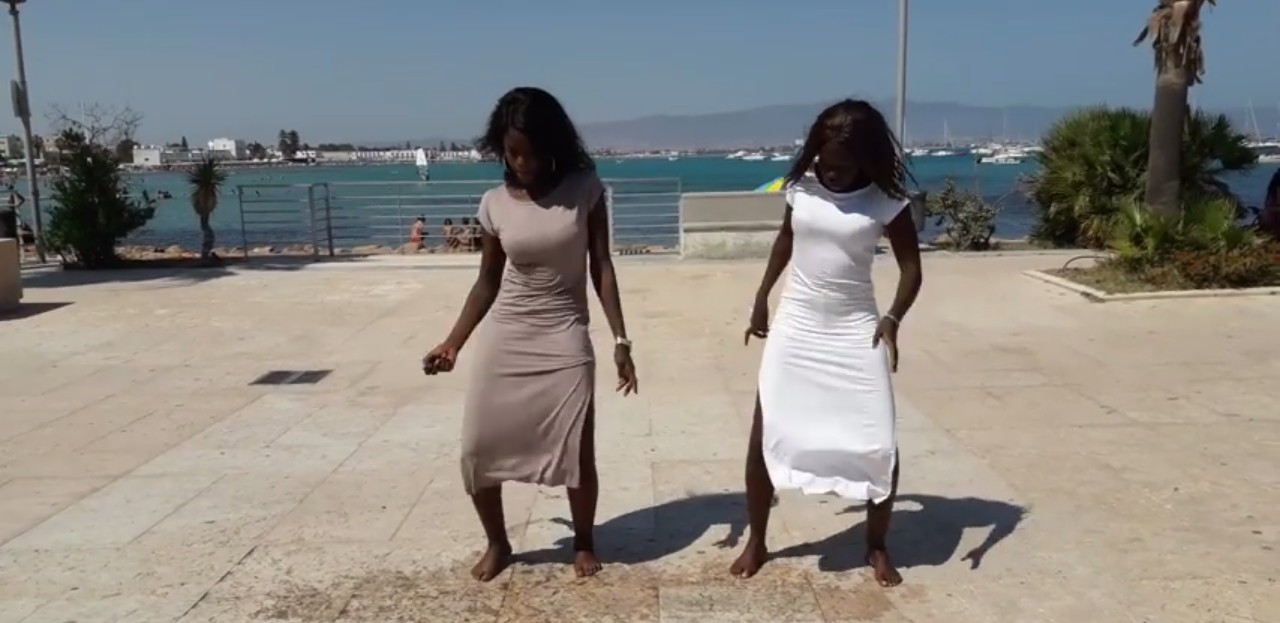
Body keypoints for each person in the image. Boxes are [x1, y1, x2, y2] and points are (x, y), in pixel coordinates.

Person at [422, 86, 639, 582]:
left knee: (576, 449)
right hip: (507, 335)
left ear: (552, 144)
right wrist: (452, 342)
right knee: (477, 448)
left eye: (530, 152)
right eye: (511, 152)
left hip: (565, 335)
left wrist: (620, 341)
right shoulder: (494, 203)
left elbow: (602, 267)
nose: (521, 162)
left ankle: (583, 541)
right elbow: (486, 282)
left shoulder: (585, 190)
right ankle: (498, 543)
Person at [732, 99, 924, 587]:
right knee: (765, 433)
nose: (831, 173)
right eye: (825, 162)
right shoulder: (801, 187)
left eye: (842, 166)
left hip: (856, 329)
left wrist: (893, 317)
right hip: (796, 326)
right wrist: (761, 298)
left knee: (878, 441)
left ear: (866, 158)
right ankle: (757, 539)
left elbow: (911, 270)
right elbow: (785, 240)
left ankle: (876, 545)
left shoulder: (886, 201)